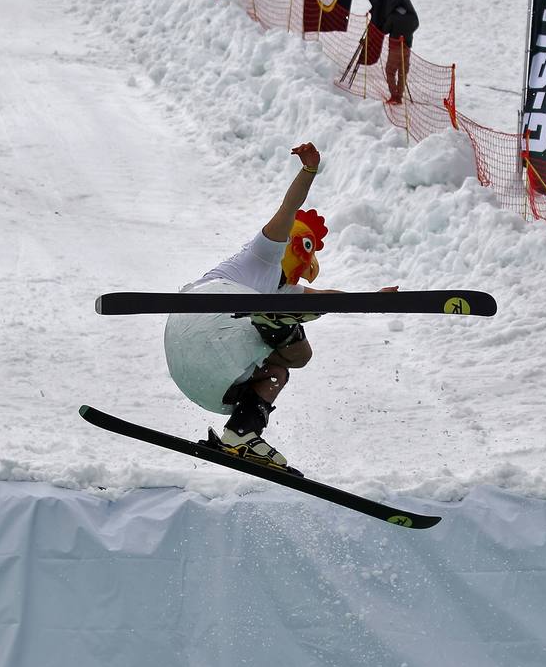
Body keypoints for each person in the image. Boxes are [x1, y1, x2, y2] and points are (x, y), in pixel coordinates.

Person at [162, 144, 397, 474]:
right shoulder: (264, 252)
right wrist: (309, 171)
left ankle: (240, 433)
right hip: (207, 316)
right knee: (290, 331)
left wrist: (373, 300)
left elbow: (330, 297)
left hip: (199, 374)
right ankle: (273, 320)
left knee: (291, 362)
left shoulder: (287, 290)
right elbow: (290, 207)